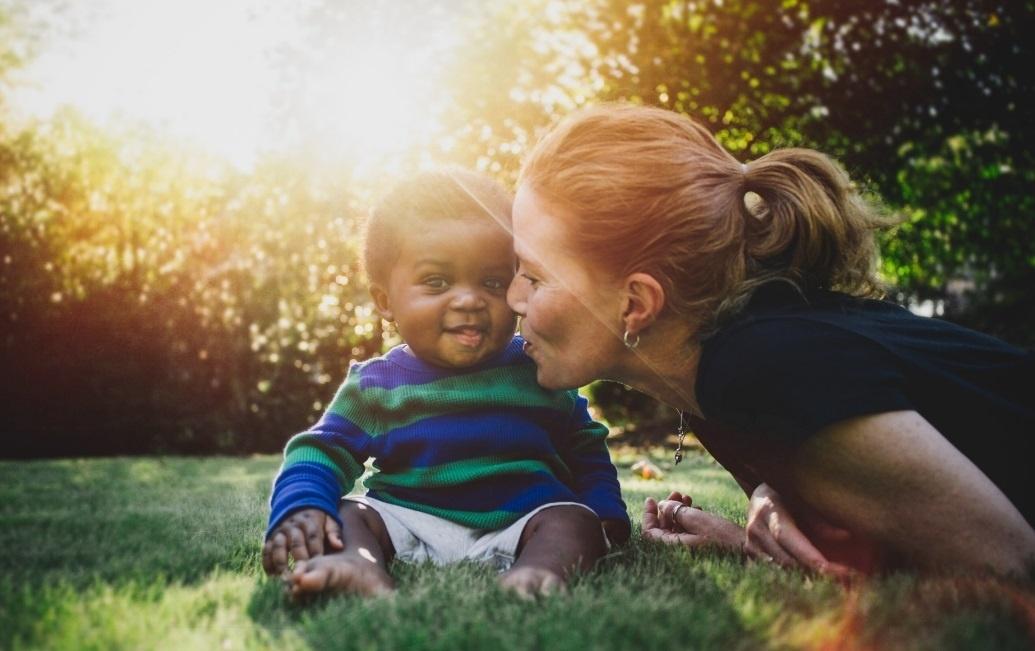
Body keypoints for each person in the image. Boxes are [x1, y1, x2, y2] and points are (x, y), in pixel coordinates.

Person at [505, 103, 1035, 576]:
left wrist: (757, 532)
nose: (512, 298)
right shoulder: (713, 373)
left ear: (636, 304)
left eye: (534, 276)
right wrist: (759, 511)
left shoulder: (763, 365)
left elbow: (1009, 560)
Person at [261, 168, 630, 599]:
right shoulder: (376, 385)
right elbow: (321, 450)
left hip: (524, 523)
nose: (469, 300)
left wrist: (605, 511)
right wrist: (303, 505)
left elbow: (585, 448)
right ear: (385, 300)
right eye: (436, 282)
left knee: (574, 520)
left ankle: (537, 573)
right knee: (349, 512)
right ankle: (356, 563)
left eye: (492, 282)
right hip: (408, 521)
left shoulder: (539, 368)